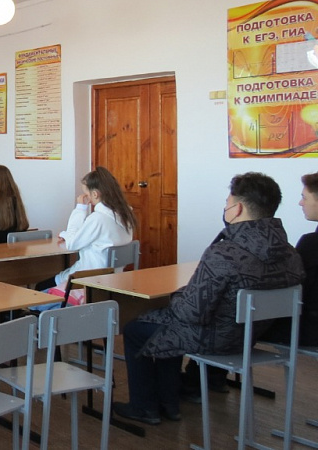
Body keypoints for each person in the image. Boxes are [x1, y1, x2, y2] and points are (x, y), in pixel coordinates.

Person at [113, 172, 304, 425]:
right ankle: (170, 401)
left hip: (217, 339)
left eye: (227, 203)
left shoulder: (224, 253)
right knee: (164, 324)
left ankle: (145, 407)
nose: (225, 208)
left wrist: (177, 296)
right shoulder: (290, 253)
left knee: (138, 328)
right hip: (250, 336)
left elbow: (191, 313)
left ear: (237, 209)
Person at [36, 166, 136, 293]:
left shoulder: (98, 219)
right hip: (114, 280)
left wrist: (80, 208)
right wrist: (67, 235)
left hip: (88, 280)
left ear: (95, 194)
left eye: (87, 194)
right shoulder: (126, 215)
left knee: (39, 287)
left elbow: (72, 244)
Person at [264, 171, 318, 346]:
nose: (301, 203)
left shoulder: (311, 243)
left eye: (304, 197)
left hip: (309, 329)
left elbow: (293, 289)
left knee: (239, 322)